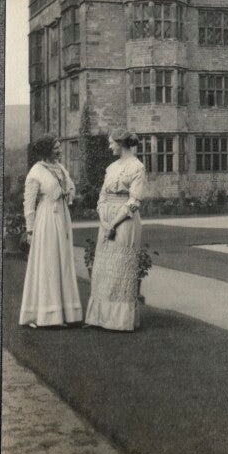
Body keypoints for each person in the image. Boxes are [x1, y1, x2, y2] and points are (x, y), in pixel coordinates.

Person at [84, 131, 149, 331]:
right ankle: (100, 318)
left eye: (112, 143)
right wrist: (104, 220)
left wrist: (114, 223)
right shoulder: (111, 167)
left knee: (121, 268)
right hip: (106, 220)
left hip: (125, 221)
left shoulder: (138, 167)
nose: (110, 146)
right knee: (103, 270)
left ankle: (119, 321)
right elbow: (102, 196)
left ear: (121, 143)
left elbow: (134, 201)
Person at [19, 135, 82, 328]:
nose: (59, 150)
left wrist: (68, 193)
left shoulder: (60, 168)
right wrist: (30, 230)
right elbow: (28, 204)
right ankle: (48, 317)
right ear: (47, 150)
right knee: (49, 262)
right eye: (56, 147)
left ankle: (68, 314)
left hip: (62, 217)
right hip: (46, 218)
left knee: (63, 261)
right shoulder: (36, 172)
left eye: (59, 147)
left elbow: (71, 187)